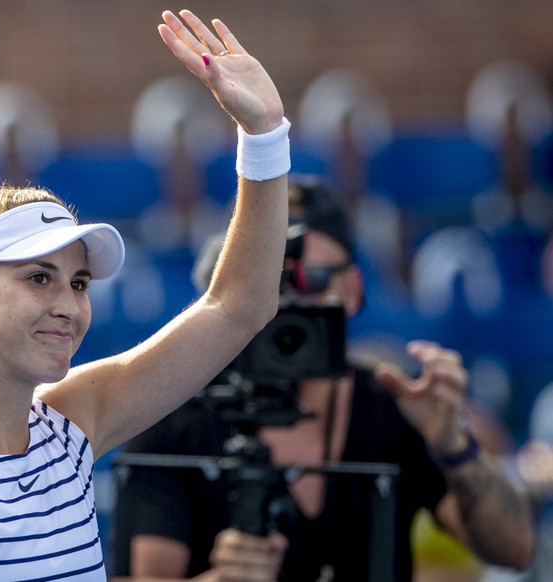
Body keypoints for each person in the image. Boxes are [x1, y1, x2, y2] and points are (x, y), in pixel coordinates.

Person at [0, 9, 291, 580]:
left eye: (78, 283)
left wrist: (264, 136)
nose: (68, 304)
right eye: (39, 278)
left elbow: (240, 305)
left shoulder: (71, 423)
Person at [109, 176, 536, 581]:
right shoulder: (178, 411)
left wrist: (453, 445)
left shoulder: (395, 404)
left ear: (352, 290)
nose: (291, 300)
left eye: (311, 280)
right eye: (270, 280)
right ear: (234, 287)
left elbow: (515, 551)